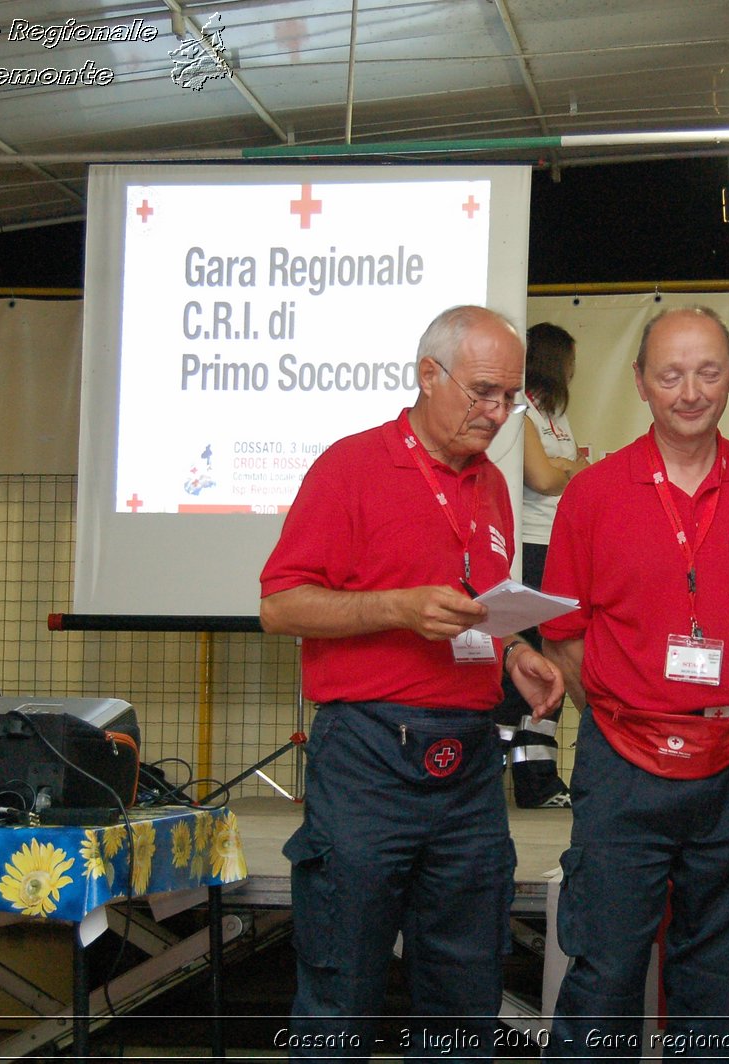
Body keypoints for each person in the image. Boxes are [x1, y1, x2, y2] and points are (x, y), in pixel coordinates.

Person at [260, 305, 565, 1061]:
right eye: (484, 393)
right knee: (343, 986)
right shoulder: (351, 466)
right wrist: (394, 607)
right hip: (368, 758)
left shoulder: (493, 486)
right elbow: (279, 603)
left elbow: (486, 609)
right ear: (429, 375)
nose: (498, 414)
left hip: (467, 763)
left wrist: (518, 650)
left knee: (465, 993)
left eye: (511, 398)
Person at [539, 306, 729, 1059]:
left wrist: (708, 707)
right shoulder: (592, 494)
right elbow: (562, 635)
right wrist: (636, 716)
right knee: (604, 974)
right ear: (640, 383)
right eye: (670, 374)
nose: (690, 391)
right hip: (621, 767)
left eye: (708, 372)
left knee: (726, 980)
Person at [491, 322, 590, 808]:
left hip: (560, 547)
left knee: (554, 662)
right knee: (522, 662)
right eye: (569, 360)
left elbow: (564, 474)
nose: (574, 370)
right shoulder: (519, 412)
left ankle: (539, 777)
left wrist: (569, 472)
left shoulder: (557, 417)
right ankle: (490, 771)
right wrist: (573, 472)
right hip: (529, 550)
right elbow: (545, 478)